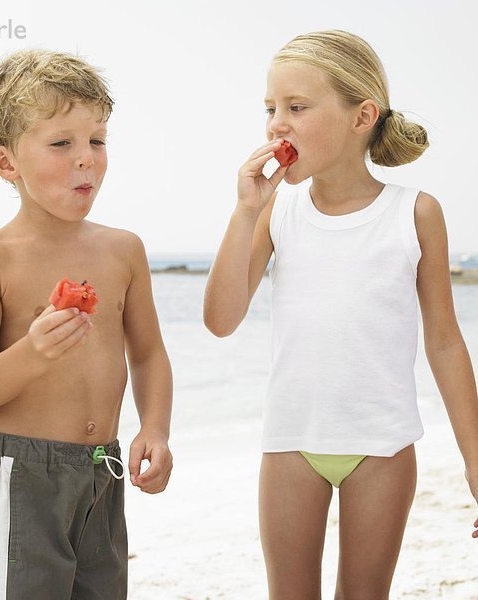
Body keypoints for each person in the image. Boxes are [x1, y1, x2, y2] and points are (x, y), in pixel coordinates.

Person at [204, 30, 478, 599]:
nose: (277, 123)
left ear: (362, 116)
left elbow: (446, 345)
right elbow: (221, 318)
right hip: (291, 445)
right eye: (270, 109)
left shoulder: (415, 213)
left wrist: (476, 465)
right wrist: (244, 211)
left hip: (383, 448)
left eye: (296, 108)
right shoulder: (278, 208)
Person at [0, 48, 173, 600]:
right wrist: (32, 353)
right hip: (17, 477)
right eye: (60, 143)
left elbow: (147, 354)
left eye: (96, 140)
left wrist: (155, 429)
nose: (86, 159)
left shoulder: (124, 250)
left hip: (102, 471)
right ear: (6, 163)